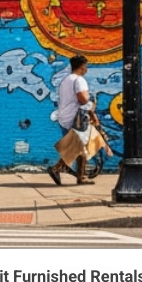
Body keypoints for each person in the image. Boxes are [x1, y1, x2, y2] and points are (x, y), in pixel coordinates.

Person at [47, 55, 95, 186]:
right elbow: (83, 100)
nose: (86, 69)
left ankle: (81, 176)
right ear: (82, 67)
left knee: (78, 147)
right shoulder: (79, 80)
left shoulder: (66, 80)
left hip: (64, 117)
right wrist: (92, 108)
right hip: (76, 118)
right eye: (85, 66)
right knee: (77, 147)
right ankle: (57, 168)